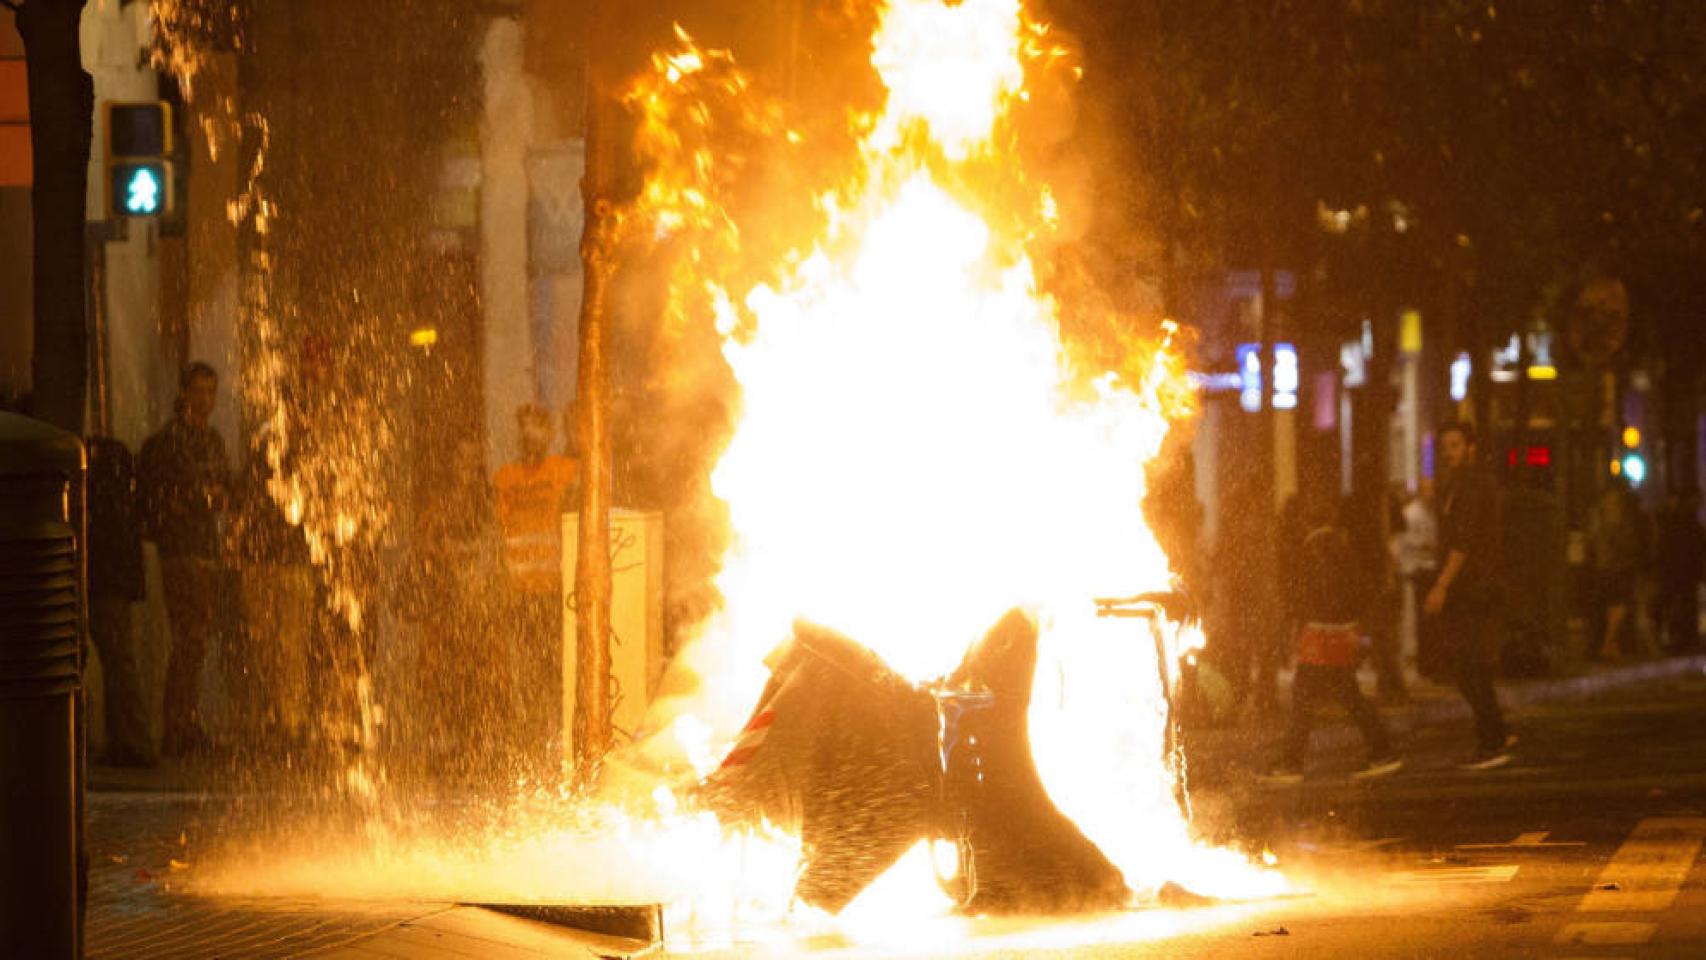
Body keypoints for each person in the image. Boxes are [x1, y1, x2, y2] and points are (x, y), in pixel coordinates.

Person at [1259, 496, 1400, 783]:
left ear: (1304, 522)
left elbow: (1312, 595)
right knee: (1346, 694)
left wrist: (1301, 620)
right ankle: (1381, 749)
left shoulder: (1313, 549)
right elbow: (1357, 591)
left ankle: (1291, 761)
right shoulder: (1339, 545)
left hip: (1321, 634)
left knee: (1305, 696)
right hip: (1338, 633)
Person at [139, 362, 231, 757]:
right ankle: (176, 726)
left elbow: (224, 489)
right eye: (199, 391)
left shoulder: (211, 440)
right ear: (184, 393)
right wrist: (193, 500)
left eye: (211, 391)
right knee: (188, 638)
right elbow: (162, 498)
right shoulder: (170, 442)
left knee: (196, 640)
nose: (206, 399)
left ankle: (185, 722)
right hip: (180, 550)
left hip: (203, 547)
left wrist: (216, 498)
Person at [493, 404, 580, 760]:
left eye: (538, 430)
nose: (531, 437)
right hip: (519, 594)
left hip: (553, 592)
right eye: (525, 430)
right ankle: (532, 741)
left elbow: (587, 470)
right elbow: (497, 534)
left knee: (556, 669)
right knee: (527, 672)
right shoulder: (505, 478)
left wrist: (576, 426)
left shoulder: (562, 470)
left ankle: (558, 736)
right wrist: (499, 586)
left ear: (549, 435)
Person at [1424, 421, 1511, 770]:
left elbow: (1464, 541)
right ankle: (1495, 733)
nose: (1449, 453)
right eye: (1445, 447)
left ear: (1470, 448)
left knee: (1467, 663)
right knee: (1467, 663)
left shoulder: (1473, 485)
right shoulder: (1456, 485)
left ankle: (1491, 740)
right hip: (1467, 586)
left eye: (1456, 445)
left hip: (1473, 587)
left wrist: (1442, 585)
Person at [230, 427, 314, 751]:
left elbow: (243, 502)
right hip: (273, 561)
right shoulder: (269, 455)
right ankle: (278, 721)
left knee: (278, 645)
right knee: (274, 645)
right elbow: (245, 502)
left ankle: (281, 721)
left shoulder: (269, 454)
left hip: (280, 561)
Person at [86, 436, 155, 767]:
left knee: (117, 660)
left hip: (104, 585)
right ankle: (128, 739)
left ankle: (133, 740)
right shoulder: (121, 503)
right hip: (113, 587)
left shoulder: (104, 507)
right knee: (118, 661)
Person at [1587, 479, 1648, 660]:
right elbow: (1619, 535)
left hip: (1605, 563)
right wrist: (1629, 552)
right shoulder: (1614, 506)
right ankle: (1608, 643)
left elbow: (1595, 537)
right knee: (1619, 603)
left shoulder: (1599, 508)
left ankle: (1609, 644)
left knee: (1611, 604)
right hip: (1616, 563)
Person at [1397, 479, 1442, 679]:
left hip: (1430, 568)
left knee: (1429, 620)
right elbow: (1408, 541)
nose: (1431, 494)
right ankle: (1424, 661)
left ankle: (1430, 662)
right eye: (1428, 490)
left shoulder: (1433, 513)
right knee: (1422, 619)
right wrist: (1429, 545)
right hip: (1417, 569)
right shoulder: (1412, 513)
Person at [1654, 488, 1705, 655]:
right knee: (1680, 605)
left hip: (1682, 572)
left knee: (1684, 605)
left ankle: (1682, 638)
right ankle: (1680, 638)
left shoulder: (1680, 523)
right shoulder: (1680, 524)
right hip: (1679, 571)